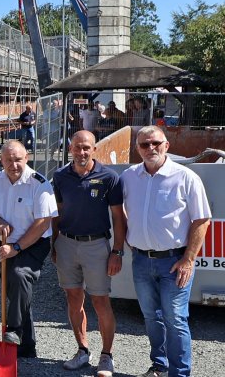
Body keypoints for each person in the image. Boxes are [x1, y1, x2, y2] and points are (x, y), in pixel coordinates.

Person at [121, 126, 211, 377]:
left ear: (166, 145)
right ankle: (159, 365)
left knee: (175, 319)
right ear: (137, 149)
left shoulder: (185, 177)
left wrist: (188, 259)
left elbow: (201, 220)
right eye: (144, 145)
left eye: (155, 143)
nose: (150, 148)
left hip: (174, 262)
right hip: (141, 260)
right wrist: (133, 236)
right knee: (151, 317)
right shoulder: (129, 176)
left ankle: (180, 373)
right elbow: (121, 211)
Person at [51, 131, 127, 376]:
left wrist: (117, 251)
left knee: (100, 301)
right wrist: (54, 244)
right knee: (74, 299)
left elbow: (118, 217)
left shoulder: (109, 177)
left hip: (97, 246)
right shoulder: (60, 176)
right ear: (70, 148)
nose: (81, 152)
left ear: (94, 149)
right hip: (66, 244)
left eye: (86, 147)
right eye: (77, 147)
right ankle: (82, 350)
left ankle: (106, 356)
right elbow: (58, 213)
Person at [0, 140, 57, 358]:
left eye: (18, 159)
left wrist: (17, 247)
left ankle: (13, 330)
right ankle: (26, 346)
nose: (13, 165)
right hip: (4, 242)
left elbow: (43, 222)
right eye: (8, 160)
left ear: (27, 158)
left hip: (33, 242)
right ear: (1, 160)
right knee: (16, 291)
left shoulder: (39, 184)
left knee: (19, 276)